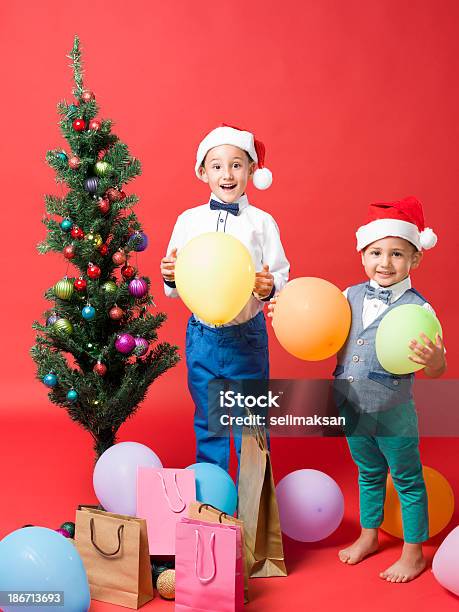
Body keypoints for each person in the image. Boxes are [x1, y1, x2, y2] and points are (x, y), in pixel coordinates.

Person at [269, 196, 446, 582]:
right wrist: (285, 312)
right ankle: (369, 536)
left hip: (393, 410)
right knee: (367, 472)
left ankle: (413, 553)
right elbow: (316, 324)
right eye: (376, 252)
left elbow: (438, 368)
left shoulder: (420, 310)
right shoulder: (346, 297)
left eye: (397, 253)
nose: (385, 262)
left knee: (406, 479)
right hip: (348, 405)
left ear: (415, 258)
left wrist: (433, 359)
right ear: (363, 254)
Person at [161, 125, 289, 471]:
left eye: (237, 165)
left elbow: (280, 274)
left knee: (251, 424)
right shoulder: (188, 221)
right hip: (202, 337)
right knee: (210, 421)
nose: (227, 174)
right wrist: (169, 274)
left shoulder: (262, 223)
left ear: (251, 171)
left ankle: (255, 505)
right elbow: (174, 287)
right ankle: (215, 500)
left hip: (245, 336)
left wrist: (268, 287)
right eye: (217, 166)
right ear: (203, 172)